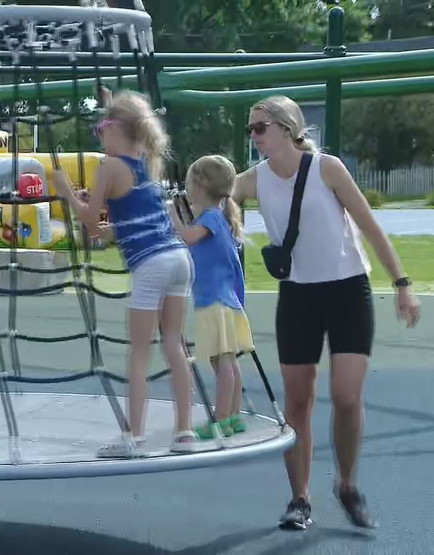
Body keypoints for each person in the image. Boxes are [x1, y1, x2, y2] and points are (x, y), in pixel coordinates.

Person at [232, 96, 421, 530]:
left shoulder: (327, 169)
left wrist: (402, 285)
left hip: (347, 291)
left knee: (347, 395)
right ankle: (299, 498)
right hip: (297, 297)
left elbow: (370, 225)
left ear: (285, 127)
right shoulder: (252, 180)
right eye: (251, 129)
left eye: (259, 127)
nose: (254, 136)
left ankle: (347, 485)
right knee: (297, 400)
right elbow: (206, 193)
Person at [51, 88, 198, 456]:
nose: (98, 135)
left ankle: (133, 435)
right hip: (179, 260)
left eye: (101, 128)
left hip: (150, 264)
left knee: (138, 354)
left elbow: (88, 221)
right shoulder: (145, 160)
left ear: (118, 129)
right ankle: (184, 432)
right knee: (174, 345)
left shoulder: (110, 167)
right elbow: (111, 225)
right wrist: (111, 103)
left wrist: (66, 192)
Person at [168, 155, 253, 440]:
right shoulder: (216, 217)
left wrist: (174, 217)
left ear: (201, 185)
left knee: (222, 362)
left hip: (215, 302)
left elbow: (188, 238)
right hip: (223, 300)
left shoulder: (213, 217)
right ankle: (234, 417)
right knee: (227, 360)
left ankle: (221, 418)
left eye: (190, 182)